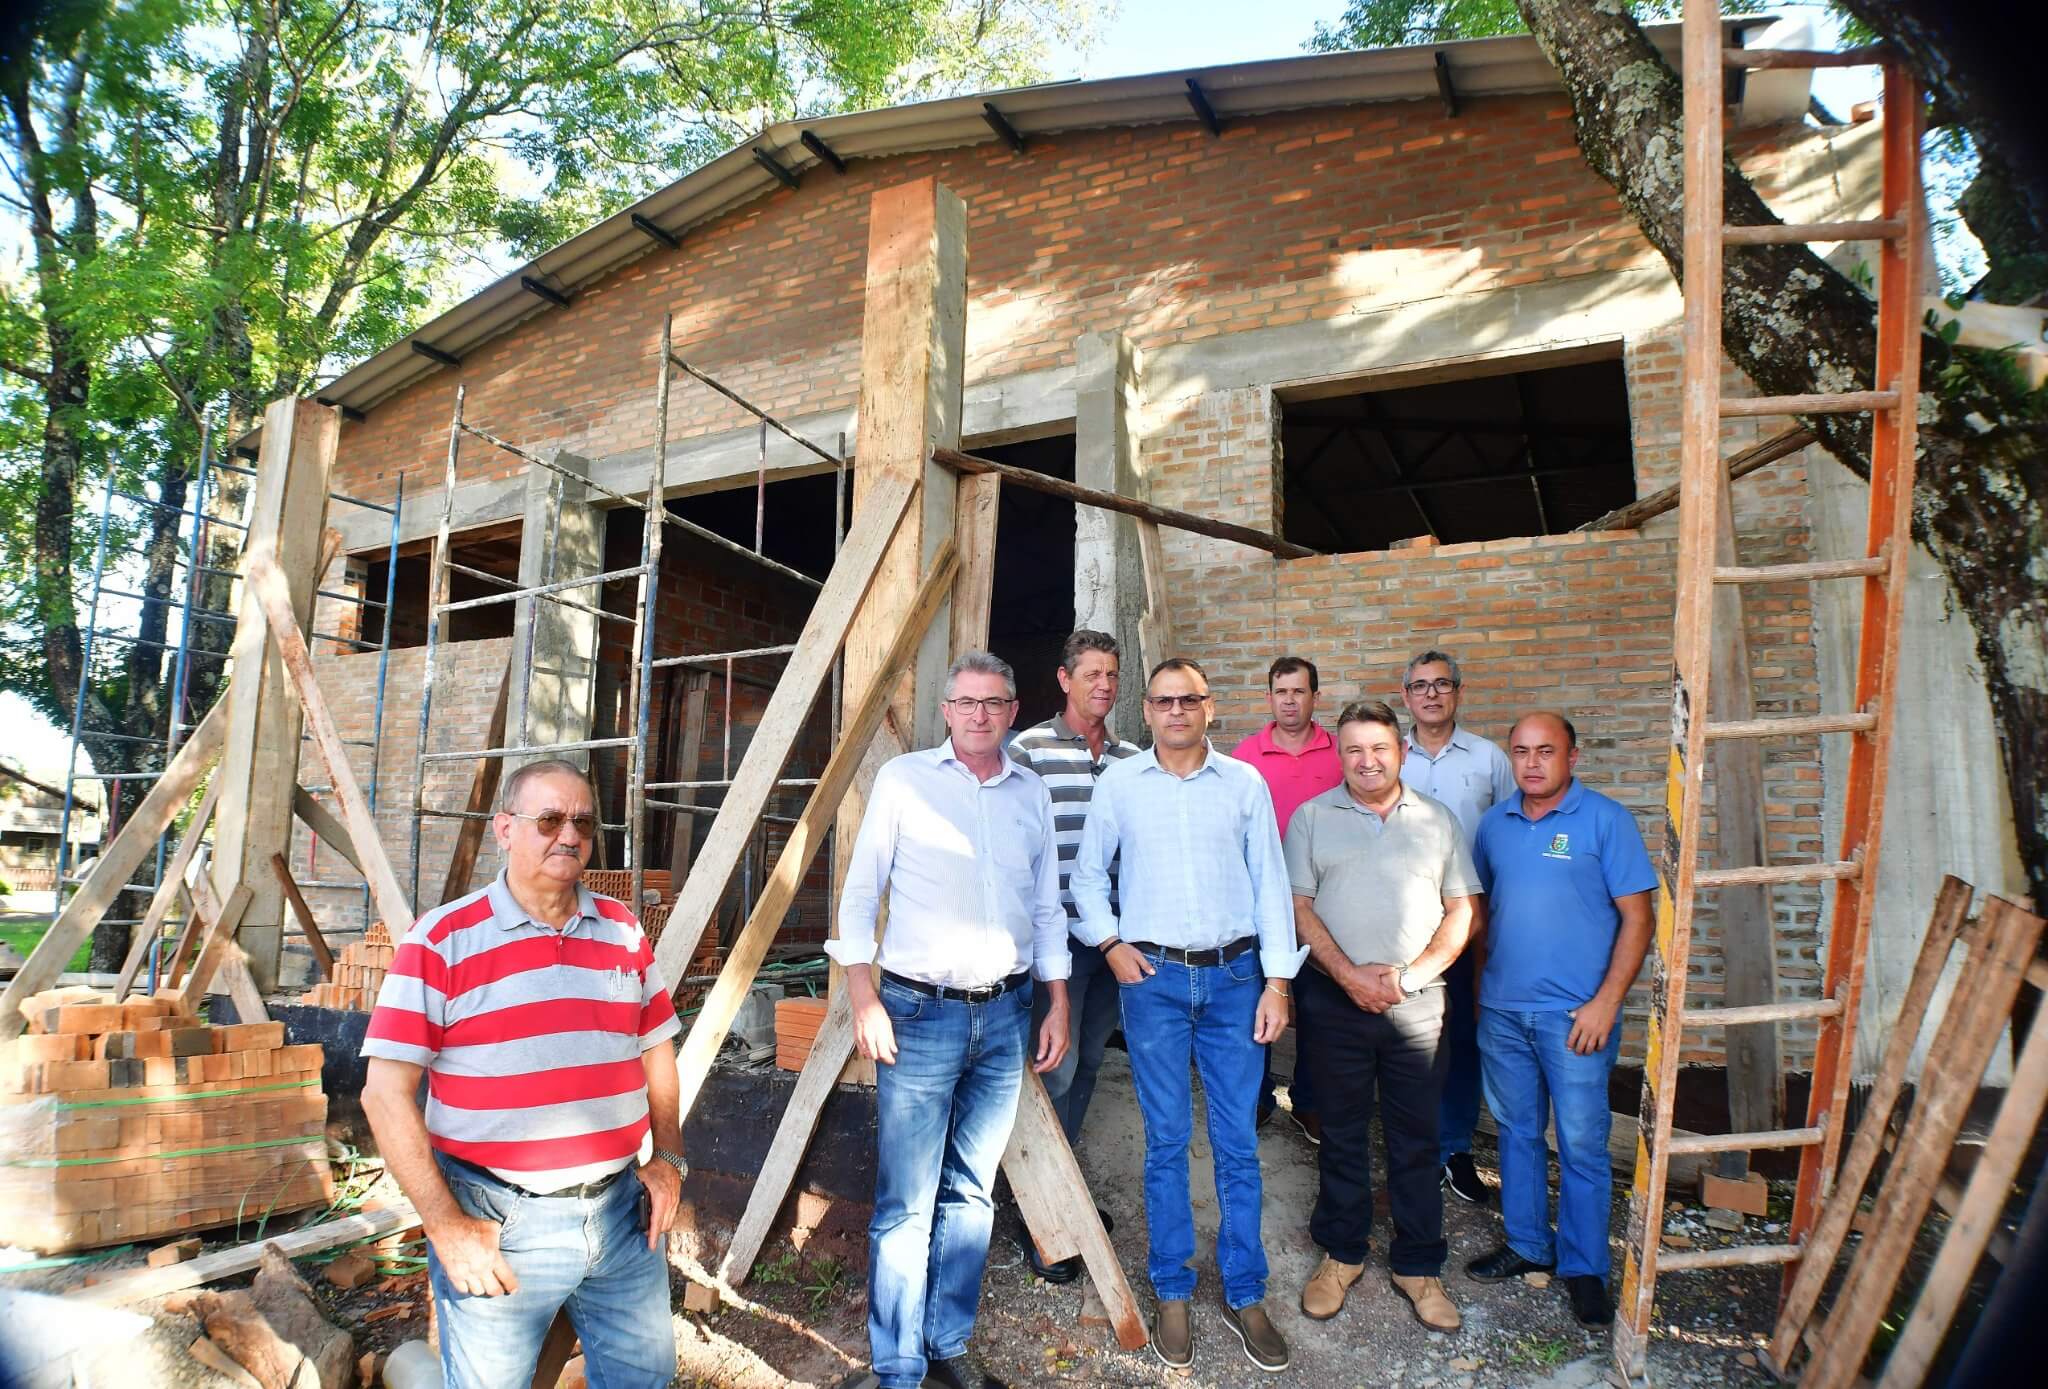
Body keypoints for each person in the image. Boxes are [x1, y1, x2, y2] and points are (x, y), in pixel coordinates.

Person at [361, 760, 683, 1389]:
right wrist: (445, 1226)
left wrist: (669, 1154)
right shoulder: (441, 941)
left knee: (646, 1380)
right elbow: (383, 1096)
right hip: (499, 1220)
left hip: (622, 1217)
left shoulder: (621, 930)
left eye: (583, 823)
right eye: (550, 820)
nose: (569, 836)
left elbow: (657, 1048)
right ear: (505, 829)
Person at [829, 652, 1072, 1389]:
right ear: (946, 710)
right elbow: (861, 888)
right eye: (966, 702)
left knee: (971, 1190)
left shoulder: (1030, 792)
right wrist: (862, 996)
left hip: (1006, 1013)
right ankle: (898, 1366)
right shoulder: (906, 781)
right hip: (917, 1012)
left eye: (994, 703)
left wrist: (1058, 999)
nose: (979, 715)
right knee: (907, 1199)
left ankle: (947, 1346)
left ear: (1012, 708)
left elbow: (1046, 905)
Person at [1072, 657, 1305, 1375]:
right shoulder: (1120, 784)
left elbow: (1272, 881)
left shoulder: (1243, 784)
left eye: (1189, 700)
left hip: (1237, 979)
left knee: (1237, 1141)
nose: (1176, 711)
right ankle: (1172, 1286)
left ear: (1211, 707)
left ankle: (1245, 1291)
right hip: (1155, 982)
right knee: (1167, 1139)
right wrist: (1109, 943)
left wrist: (1278, 983)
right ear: (1148, 710)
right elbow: (1087, 877)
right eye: (1164, 700)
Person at [1287, 701, 1478, 1332]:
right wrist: (1347, 975)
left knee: (1415, 1138)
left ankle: (1418, 1265)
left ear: (1399, 749)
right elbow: (1299, 906)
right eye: (1353, 750)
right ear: (1338, 754)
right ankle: (1341, 1254)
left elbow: (1461, 912)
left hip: (1418, 1005)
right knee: (1340, 1134)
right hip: (1334, 1002)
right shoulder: (1313, 818)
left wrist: (1410, 978)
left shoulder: (1438, 820)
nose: (1367, 761)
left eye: (1379, 748)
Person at [1463, 712, 1656, 1328]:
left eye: (1546, 751)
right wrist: (1476, 997)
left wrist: (1606, 1001)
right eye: (1520, 752)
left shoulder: (1606, 821)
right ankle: (1526, 1245)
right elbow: (1482, 917)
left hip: (1576, 1017)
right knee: (1516, 1134)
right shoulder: (1494, 826)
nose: (1532, 763)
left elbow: (1639, 919)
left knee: (1580, 1144)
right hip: (1502, 1012)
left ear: (1574, 756)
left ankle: (1584, 1267)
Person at [1007, 630, 1139, 1282]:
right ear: (1065, 679)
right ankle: (1041, 1219)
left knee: (1086, 1069)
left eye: (1112, 674)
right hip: (1051, 947)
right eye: (1092, 673)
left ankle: (1060, 1193)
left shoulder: (1130, 757)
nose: (1105, 685)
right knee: (1053, 1075)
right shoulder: (1028, 749)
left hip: (1107, 944)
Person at [1397, 649, 1516, 1208]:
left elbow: (1512, 837)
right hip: (1403, 922)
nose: (1431, 695)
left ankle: (1455, 1147)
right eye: (1420, 686)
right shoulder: (1390, 757)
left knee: (1463, 1036)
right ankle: (1409, 1144)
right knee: (1404, 1036)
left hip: (1467, 923)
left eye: (1441, 684)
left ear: (1457, 692)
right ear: (1406, 697)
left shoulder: (1490, 760)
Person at [1231, 656, 1341, 1143]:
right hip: (1259, 899)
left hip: (1323, 900)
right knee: (1256, 998)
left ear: (1316, 697)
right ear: (1270, 697)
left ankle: (1309, 1101)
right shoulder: (1245, 756)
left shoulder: (1339, 752)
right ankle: (1255, 1098)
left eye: (1299, 691)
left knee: (1319, 1007)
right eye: (1281, 692)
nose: (1290, 701)